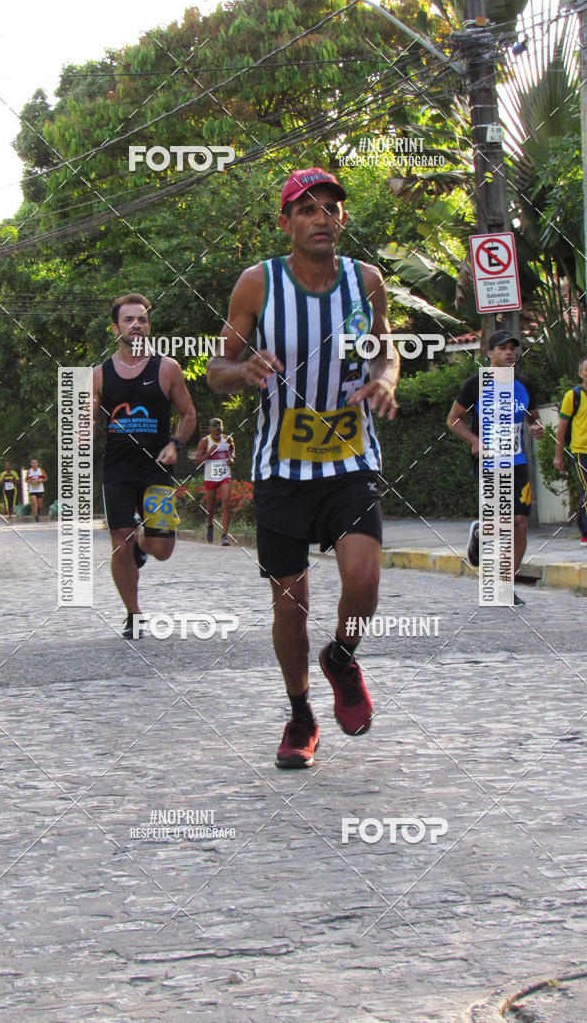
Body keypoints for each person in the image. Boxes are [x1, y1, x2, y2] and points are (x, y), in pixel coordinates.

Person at [207, 167, 399, 769]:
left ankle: (341, 658)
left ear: (342, 219)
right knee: (290, 605)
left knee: (363, 578)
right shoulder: (256, 285)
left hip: (349, 458)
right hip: (281, 467)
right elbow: (216, 368)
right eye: (307, 209)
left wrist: (386, 379)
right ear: (286, 222)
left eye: (331, 209)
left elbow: (386, 347)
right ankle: (300, 715)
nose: (322, 218)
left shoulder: (366, 281)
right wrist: (243, 372)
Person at [93, 292, 197, 638]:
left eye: (142, 319)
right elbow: (85, 418)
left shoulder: (166, 368)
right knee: (119, 538)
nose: (137, 325)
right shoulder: (99, 375)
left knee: (161, 549)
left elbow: (188, 414)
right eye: (128, 319)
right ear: (115, 328)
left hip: (157, 469)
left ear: (149, 326)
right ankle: (134, 614)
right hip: (118, 470)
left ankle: (142, 544)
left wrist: (175, 443)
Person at [446, 329, 544, 605]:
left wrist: (537, 428)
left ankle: (505, 586)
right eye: (502, 348)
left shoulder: (524, 385)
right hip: (489, 462)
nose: (509, 352)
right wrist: (474, 440)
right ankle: (480, 532)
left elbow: (533, 420)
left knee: (520, 524)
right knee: (501, 524)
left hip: (518, 462)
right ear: (489, 353)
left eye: (513, 348)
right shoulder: (476, 384)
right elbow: (453, 419)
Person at [554, 356, 587, 543]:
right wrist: (558, 455)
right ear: (580, 373)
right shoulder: (572, 397)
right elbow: (562, 427)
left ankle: (584, 529)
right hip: (582, 452)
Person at [194, 418, 235, 546]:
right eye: (215, 429)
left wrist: (231, 457)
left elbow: (232, 448)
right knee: (210, 508)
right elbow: (197, 461)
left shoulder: (227, 439)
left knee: (226, 503)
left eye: (219, 429)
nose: (217, 432)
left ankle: (224, 536)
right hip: (210, 477)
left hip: (224, 476)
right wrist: (208, 453)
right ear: (209, 429)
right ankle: (210, 525)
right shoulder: (204, 442)